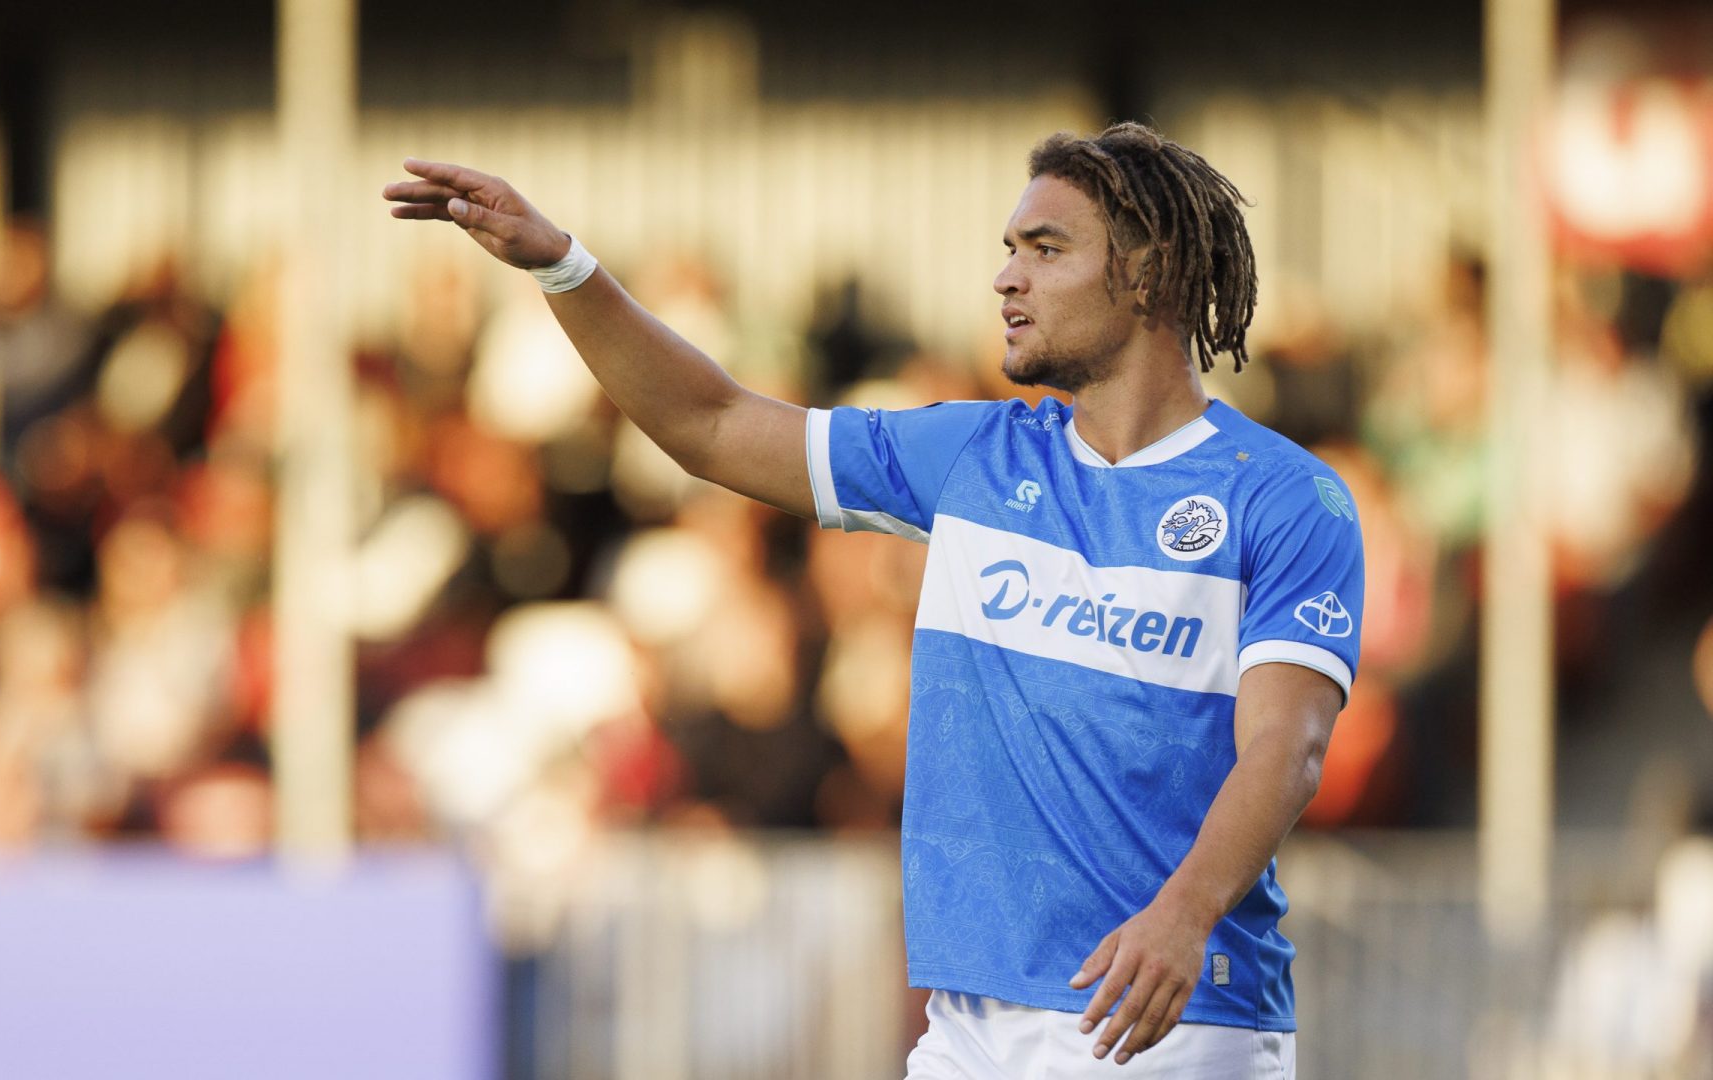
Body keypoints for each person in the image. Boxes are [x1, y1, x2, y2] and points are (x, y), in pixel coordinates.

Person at [384, 121, 1363, 1078]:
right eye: (1008, 249)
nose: (1005, 277)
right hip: (969, 1031)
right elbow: (712, 423)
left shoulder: (1281, 498)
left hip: (1167, 1021)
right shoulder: (976, 457)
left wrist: (1184, 917)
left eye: (1046, 249)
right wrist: (563, 266)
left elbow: (1287, 748)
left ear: (1146, 275)